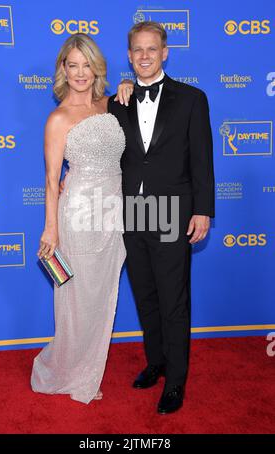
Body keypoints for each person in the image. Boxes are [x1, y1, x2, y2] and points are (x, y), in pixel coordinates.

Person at [108, 21, 215, 414]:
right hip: (132, 210)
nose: (145, 56)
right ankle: (156, 361)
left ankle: (176, 381)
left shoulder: (191, 98)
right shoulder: (119, 100)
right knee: (146, 294)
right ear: (130, 54)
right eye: (137, 50)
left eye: (152, 49)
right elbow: (105, 153)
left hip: (173, 209)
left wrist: (203, 209)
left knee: (173, 300)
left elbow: (202, 159)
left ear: (165, 52)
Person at [31, 33, 132, 404]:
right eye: (72, 65)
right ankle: (72, 371)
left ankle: (88, 366)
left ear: (96, 68)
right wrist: (51, 228)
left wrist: (128, 85)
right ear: (63, 69)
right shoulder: (58, 119)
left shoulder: (112, 105)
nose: (79, 72)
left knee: (104, 294)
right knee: (78, 296)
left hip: (117, 212)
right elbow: (51, 180)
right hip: (80, 213)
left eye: (85, 64)